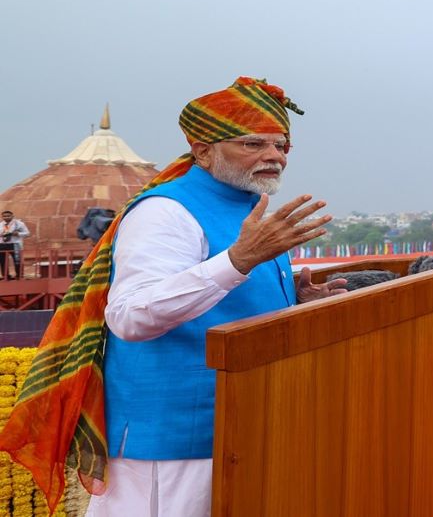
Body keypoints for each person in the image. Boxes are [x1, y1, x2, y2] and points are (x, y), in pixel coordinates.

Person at [0, 76, 347, 517]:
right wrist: (238, 261)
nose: (273, 156)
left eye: (281, 146)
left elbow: (222, 294)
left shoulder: (250, 208)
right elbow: (130, 316)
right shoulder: (165, 211)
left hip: (244, 424)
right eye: (253, 143)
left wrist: (292, 300)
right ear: (203, 150)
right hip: (172, 437)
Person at [0, 210, 30, 279]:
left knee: (17, 260)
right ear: (2, 217)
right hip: (2, 244)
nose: (6, 217)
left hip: (15, 244)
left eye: (8, 216)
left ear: (12, 216)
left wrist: (17, 233)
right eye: (4, 216)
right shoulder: (1, 224)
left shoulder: (19, 224)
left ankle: (19, 275)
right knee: (2, 260)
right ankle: (6, 276)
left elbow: (27, 233)